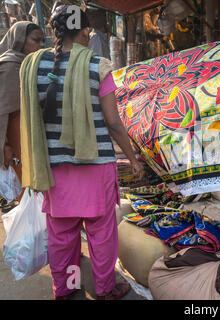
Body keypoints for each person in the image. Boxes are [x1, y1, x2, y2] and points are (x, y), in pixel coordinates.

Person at [19, 5, 144, 299]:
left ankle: (66, 287)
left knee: (63, 236)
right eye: (88, 30)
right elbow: (113, 123)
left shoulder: (32, 66)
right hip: (95, 166)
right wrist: (134, 158)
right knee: (101, 235)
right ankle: (103, 288)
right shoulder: (98, 66)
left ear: (53, 30)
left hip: (54, 167)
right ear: (85, 31)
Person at [0, 21, 44, 200]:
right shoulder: (10, 67)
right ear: (19, 41)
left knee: (36, 190)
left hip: (31, 136)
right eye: (36, 40)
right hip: (16, 138)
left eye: (43, 41)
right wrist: (5, 145)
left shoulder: (30, 65)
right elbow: (2, 112)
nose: (41, 45)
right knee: (25, 192)